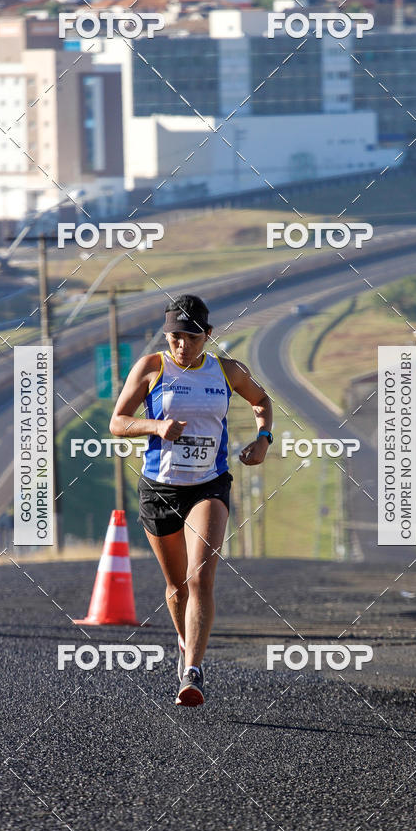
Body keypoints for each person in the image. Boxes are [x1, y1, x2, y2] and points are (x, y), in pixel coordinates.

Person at [109, 294, 273, 706]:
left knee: (201, 578)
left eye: (191, 337)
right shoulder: (151, 367)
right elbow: (117, 422)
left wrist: (263, 440)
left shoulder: (227, 370)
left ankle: (192, 672)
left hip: (208, 485)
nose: (182, 345)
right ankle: (185, 642)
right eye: (174, 336)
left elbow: (261, 400)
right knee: (177, 586)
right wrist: (155, 426)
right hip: (160, 487)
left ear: (208, 335)